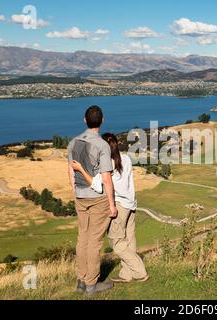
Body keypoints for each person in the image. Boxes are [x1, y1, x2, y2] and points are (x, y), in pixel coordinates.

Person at [70, 133, 149, 284]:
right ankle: (127, 274)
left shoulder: (106, 165)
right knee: (129, 240)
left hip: (119, 206)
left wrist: (80, 169)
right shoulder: (125, 158)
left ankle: (140, 272)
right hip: (131, 204)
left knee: (117, 244)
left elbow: (96, 185)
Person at [68, 106, 118, 296]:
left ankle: (81, 280)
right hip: (98, 198)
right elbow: (106, 178)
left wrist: (75, 192)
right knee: (95, 241)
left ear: (84, 120)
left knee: (82, 238)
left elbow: (71, 172)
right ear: (102, 120)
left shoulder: (73, 142)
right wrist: (112, 204)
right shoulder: (102, 145)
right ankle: (91, 284)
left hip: (80, 195)